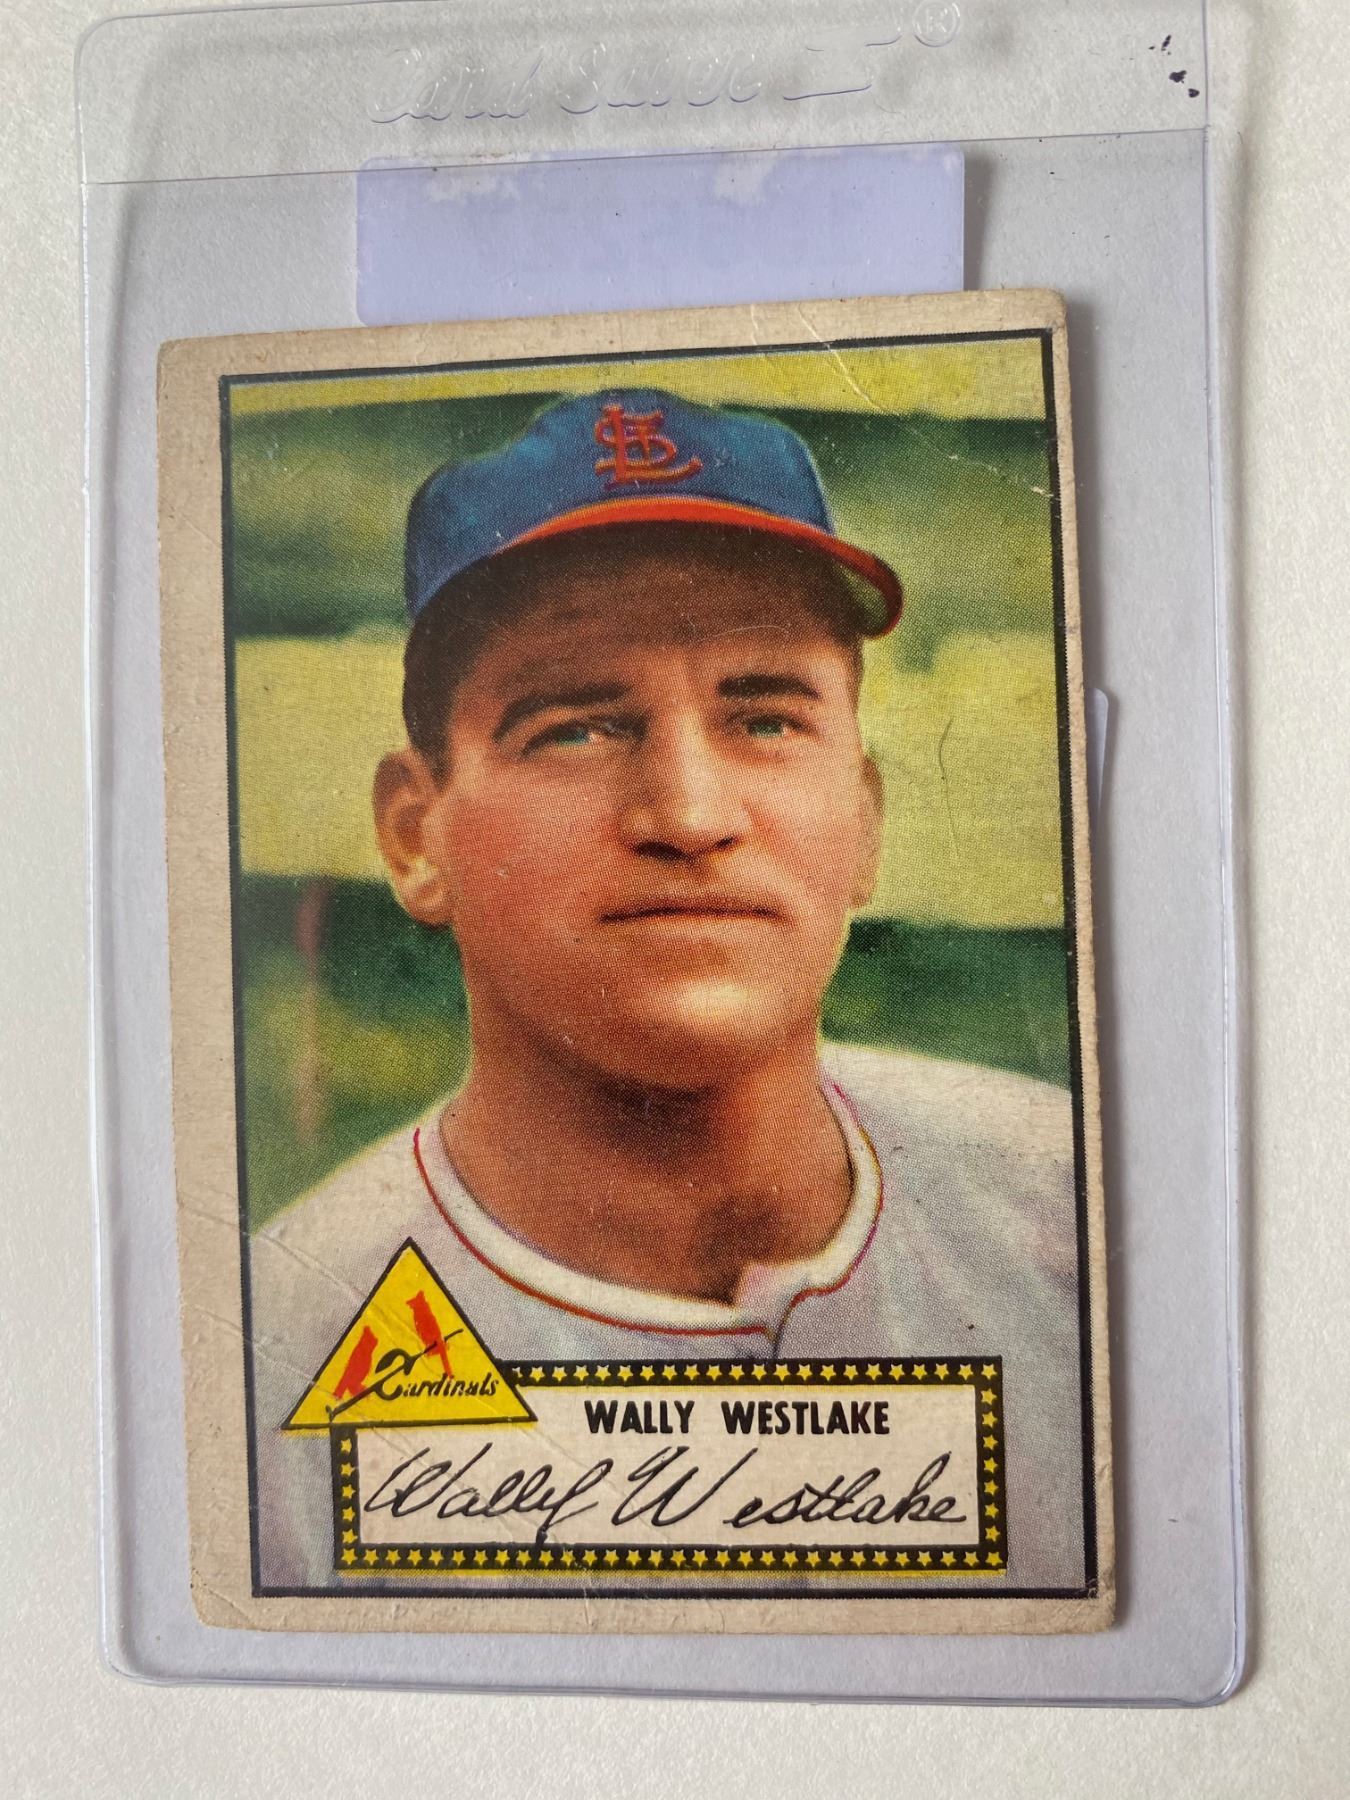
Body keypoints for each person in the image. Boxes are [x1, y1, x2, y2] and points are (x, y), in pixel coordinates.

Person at [250, 389, 1085, 1593]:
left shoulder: (1076, 1218)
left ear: (864, 821)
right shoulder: (271, 1356)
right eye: (575, 728)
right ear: (414, 834)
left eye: (766, 718)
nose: (689, 815)